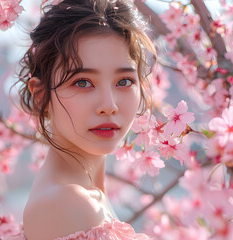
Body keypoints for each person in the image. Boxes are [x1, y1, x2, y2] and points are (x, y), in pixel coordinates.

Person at [16, 0, 156, 239]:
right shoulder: (65, 203)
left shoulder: (84, 197)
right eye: (82, 82)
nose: (108, 106)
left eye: (124, 82)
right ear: (41, 96)